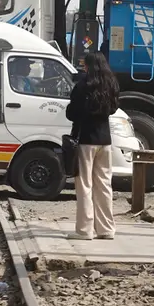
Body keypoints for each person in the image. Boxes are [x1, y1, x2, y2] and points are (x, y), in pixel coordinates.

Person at [65, 52, 119, 241]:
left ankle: (85, 230)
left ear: (88, 66)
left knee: (84, 185)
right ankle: (106, 229)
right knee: (104, 184)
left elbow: (71, 113)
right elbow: (113, 109)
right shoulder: (111, 85)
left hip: (85, 140)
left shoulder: (82, 86)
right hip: (105, 141)